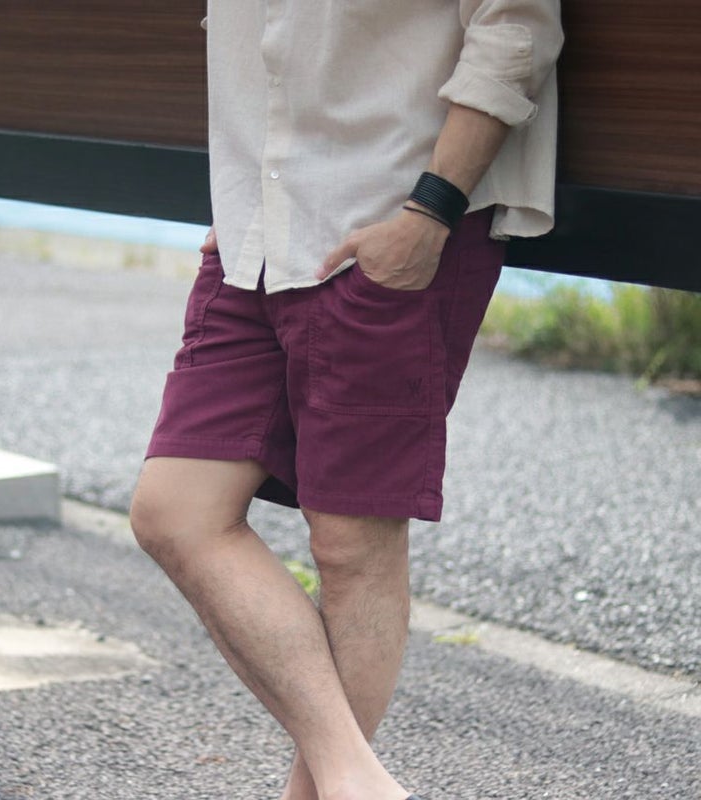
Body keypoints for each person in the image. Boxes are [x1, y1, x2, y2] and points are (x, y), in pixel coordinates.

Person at [130, 2, 564, 798]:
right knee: (175, 512)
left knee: (351, 544)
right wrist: (245, 198)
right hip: (259, 232)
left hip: (396, 223)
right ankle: (359, 783)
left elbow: (516, 28)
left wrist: (429, 212)